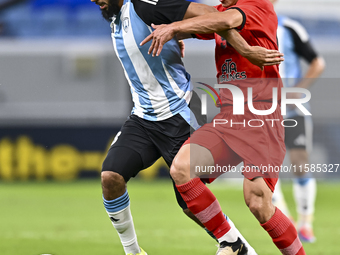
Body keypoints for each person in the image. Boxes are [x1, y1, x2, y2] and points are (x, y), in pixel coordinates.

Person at [90, 0, 283, 255]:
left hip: (179, 114)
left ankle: (238, 245)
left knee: (190, 203)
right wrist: (177, 34)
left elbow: (214, 15)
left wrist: (245, 49)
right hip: (143, 118)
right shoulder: (116, 18)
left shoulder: (146, 4)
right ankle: (134, 252)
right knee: (110, 177)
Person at [141, 0, 307, 254]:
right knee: (182, 168)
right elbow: (203, 25)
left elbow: (226, 22)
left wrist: (174, 28)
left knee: (258, 202)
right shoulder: (220, 11)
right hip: (228, 118)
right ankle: (232, 242)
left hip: (261, 117)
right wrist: (174, 32)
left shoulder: (256, 5)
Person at [269, 0, 325, 243]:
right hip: (263, 112)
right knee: (267, 168)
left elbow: (317, 62)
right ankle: (287, 222)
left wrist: (297, 91)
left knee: (300, 161)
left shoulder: (290, 28)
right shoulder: (245, 27)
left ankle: (306, 223)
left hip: (294, 110)